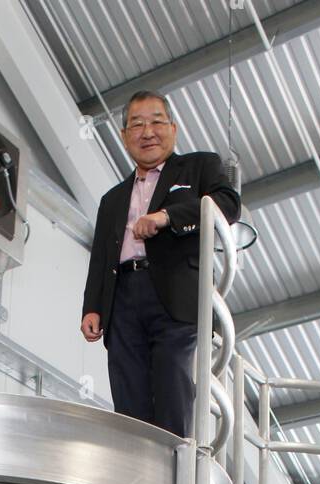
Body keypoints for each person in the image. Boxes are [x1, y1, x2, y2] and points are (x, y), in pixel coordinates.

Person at [80, 90, 241, 438]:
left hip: (174, 293)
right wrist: (92, 307)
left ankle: (175, 464)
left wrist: (167, 217)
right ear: (125, 138)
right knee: (128, 390)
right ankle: (137, 469)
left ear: (173, 128)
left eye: (156, 121)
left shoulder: (198, 167)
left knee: (171, 378)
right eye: (136, 125)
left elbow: (227, 205)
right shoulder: (112, 199)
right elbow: (101, 256)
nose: (147, 132)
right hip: (122, 296)